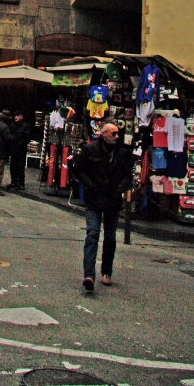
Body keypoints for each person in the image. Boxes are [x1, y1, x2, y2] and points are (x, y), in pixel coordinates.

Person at [73, 122, 132, 292]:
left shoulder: (121, 153)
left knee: (110, 238)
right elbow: (78, 169)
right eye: (113, 133)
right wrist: (90, 185)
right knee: (92, 234)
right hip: (94, 199)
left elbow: (127, 175)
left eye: (118, 133)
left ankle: (106, 272)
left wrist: (120, 189)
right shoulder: (90, 149)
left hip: (113, 200)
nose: (116, 137)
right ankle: (89, 275)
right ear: (103, 134)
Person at [8, 110, 32, 191]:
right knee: (13, 166)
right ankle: (13, 182)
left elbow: (27, 138)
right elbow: (10, 135)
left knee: (20, 167)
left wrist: (21, 144)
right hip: (13, 149)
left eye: (17, 116)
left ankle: (21, 183)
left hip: (21, 150)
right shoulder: (12, 125)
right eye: (15, 116)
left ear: (21, 117)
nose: (16, 117)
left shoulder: (25, 126)